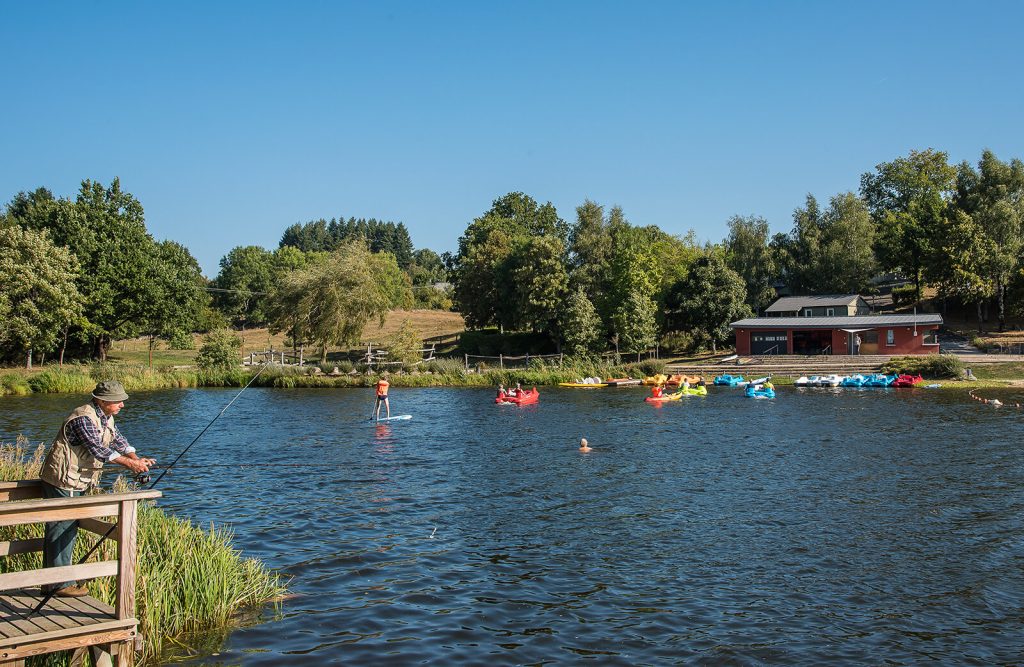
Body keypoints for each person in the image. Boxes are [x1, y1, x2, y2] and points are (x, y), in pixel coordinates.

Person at [38, 381, 156, 597]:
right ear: (102, 400)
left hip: (77, 481)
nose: (122, 405)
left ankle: (54, 582)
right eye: (117, 401)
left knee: (67, 527)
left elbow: (118, 441)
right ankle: (59, 585)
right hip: (63, 480)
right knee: (61, 528)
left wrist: (137, 460)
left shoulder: (105, 417)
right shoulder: (83, 418)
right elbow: (99, 450)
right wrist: (132, 465)